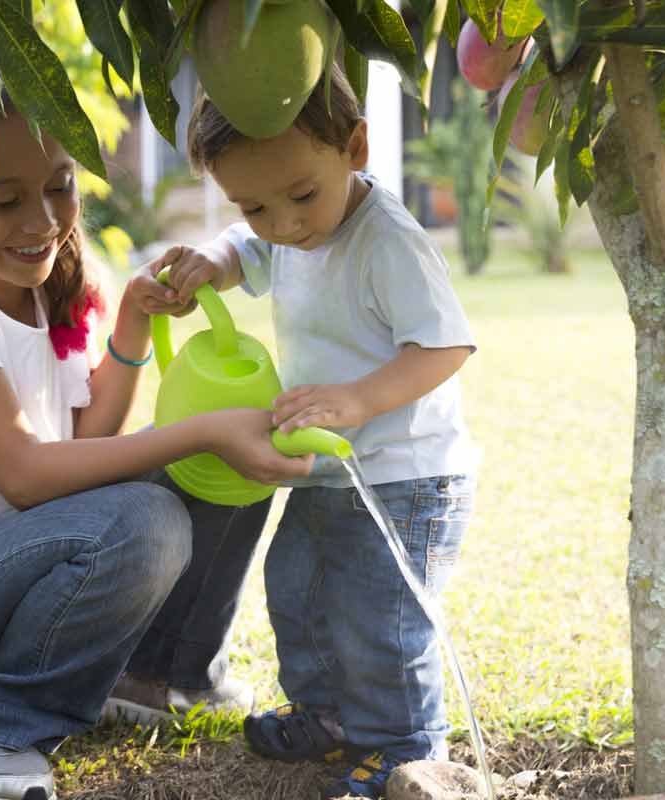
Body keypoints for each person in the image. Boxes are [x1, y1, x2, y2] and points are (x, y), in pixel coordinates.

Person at [0, 54, 313, 800]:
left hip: (22, 559)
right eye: (3, 200)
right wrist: (202, 430)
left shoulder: (49, 283)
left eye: (59, 187)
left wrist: (135, 320)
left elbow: (85, 445)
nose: (42, 221)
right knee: (145, 515)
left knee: (212, 475)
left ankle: (157, 676)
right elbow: (25, 473)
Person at [150, 65, 479, 799]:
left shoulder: (387, 241)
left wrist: (360, 399)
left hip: (404, 475)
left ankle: (404, 746)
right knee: (296, 588)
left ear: (355, 147)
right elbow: (254, 247)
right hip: (331, 468)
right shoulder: (289, 229)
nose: (286, 223)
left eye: (301, 195)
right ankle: (330, 713)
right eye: (255, 204)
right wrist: (221, 256)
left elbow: (445, 346)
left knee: (378, 616)